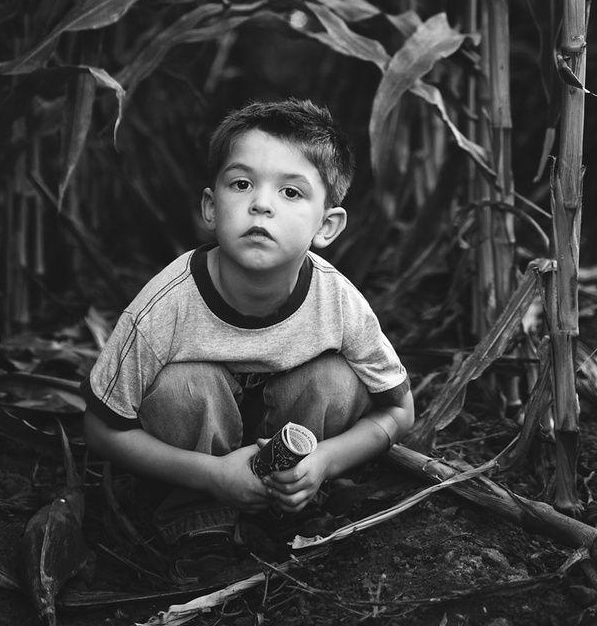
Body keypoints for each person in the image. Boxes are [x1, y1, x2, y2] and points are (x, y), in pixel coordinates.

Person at [83, 99, 414, 539]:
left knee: (335, 379)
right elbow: (101, 429)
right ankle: (198, 523)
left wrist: (325, 461)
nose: (261, 204)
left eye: (290, 192)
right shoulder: (164, 306)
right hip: (198, 464)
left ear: (327, 227)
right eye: (241, 184)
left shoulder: (337, 302)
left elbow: (399, 411)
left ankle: (293, 507)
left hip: (296, 450)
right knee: (184, 388)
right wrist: (212, 475)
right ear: (210, 207)